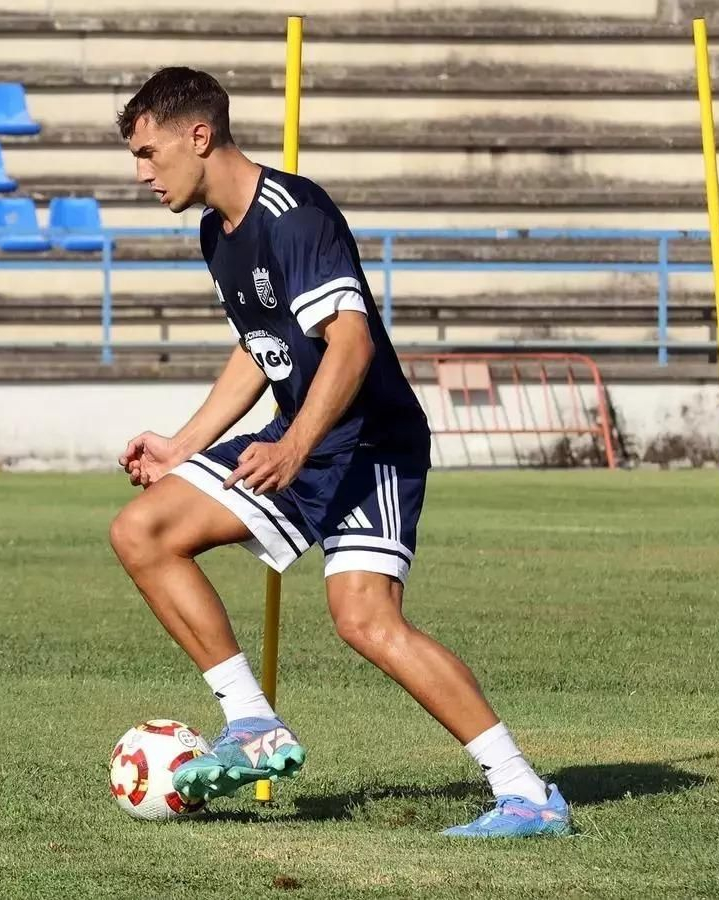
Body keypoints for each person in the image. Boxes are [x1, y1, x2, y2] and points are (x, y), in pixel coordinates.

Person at [107, 67, 571, 839]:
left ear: (200, 135)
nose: (142, 173)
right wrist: (184, 443)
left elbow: (350, 346)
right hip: (304, 439)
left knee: (366, 622)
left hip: (369, 439)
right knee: (142, 531)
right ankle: (252, 724)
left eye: (150, 154)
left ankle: (527, 796)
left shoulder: (296, 214)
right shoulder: (215, 234)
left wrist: (295, 443)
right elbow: (261, 351)